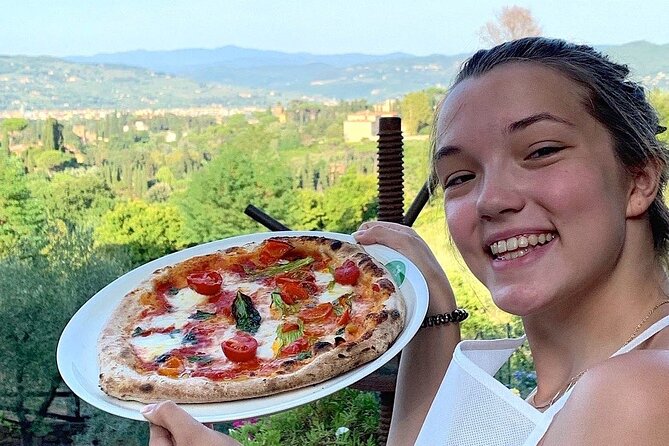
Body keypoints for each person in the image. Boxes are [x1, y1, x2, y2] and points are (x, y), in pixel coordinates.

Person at [142, 37, 669, 445]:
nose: (490, 199)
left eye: (541, 150)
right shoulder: (567, 390)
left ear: (639, 178)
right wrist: (430, 307)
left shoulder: (638, 392)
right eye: (459, 177)